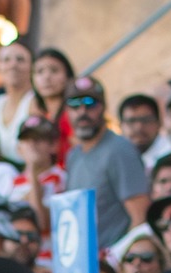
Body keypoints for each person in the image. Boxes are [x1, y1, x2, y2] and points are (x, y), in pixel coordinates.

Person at [60, 76, 149, 247]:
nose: (82, 112)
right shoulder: (73, 156)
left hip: (113, 260)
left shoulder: (120, 150)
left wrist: (116, 260)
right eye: (74, 105)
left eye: (90, 104)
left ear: (103, 107)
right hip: (86, 261)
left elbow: (139, 217)